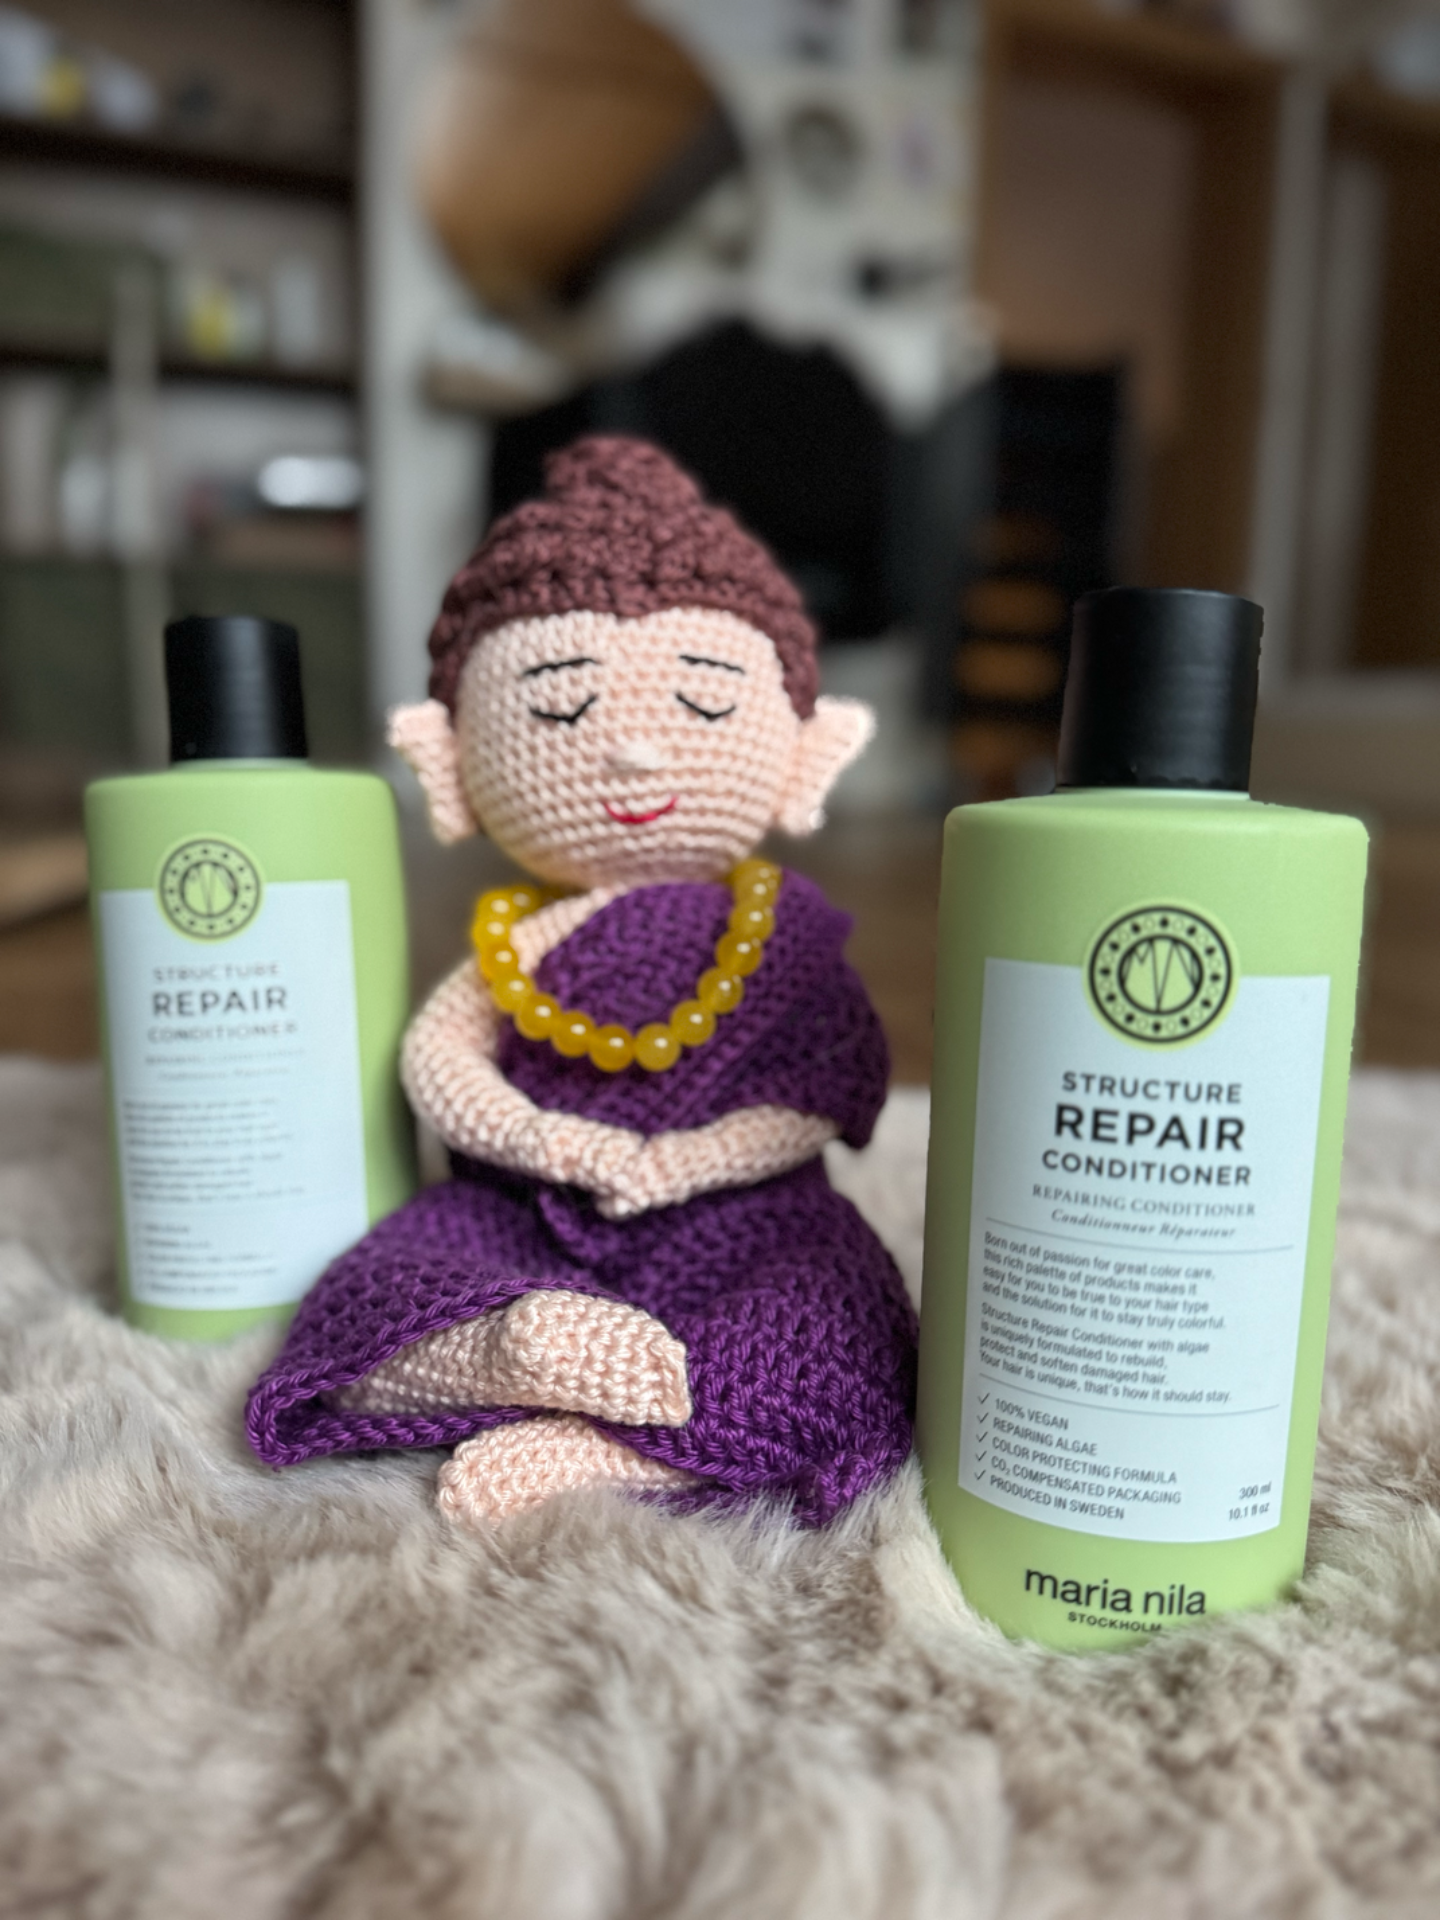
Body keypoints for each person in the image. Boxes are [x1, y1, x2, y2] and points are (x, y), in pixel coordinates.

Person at [245, 435, 917, 1528]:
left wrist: (688, 1160)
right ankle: (509, 1351)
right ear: (451, 762)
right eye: (561, 708)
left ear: (806, 752)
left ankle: (614, 1446)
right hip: (525, 1204)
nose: (634, 755)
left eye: (703, 703)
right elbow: (441, 1055)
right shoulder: (517, 945)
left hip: (744, 1211)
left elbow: (818, 1090)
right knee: (376, 1289)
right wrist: (551, 1144)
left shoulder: (777, 939)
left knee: (839, 1321)